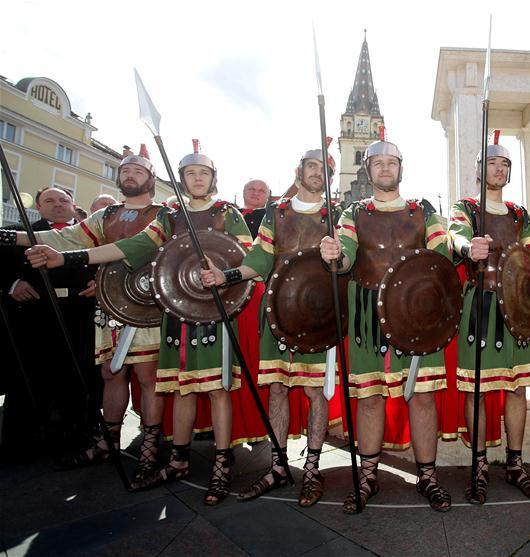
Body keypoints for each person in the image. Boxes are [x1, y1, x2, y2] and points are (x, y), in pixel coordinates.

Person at [26, 140, 252, 504]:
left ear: (214, 179)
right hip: (177, 311)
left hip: (215, 311)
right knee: (180, 386)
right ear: (181, 179)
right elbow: (131, 248)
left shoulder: (228, 212)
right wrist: (70, 259)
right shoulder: (169, 215)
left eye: (204, 173)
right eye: (191, 173)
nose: (197, 178)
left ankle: (222, 465)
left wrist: (225, 274)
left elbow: (247, 256)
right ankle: (177, 458)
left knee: (217, 388)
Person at [1, 145, 166, 481]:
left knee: (148, 378)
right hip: (109, 305)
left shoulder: (165, 214)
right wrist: (6, 235)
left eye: (137, 170)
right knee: (110, 373)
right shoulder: (104, 216)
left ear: (150, 178)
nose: (129, 174)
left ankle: (150, 447)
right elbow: (63, 237)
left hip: (147, 304)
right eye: (124, 170)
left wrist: (69, 258)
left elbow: (137, 248)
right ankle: (109, 441)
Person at [320, 130, 452, 513]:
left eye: (391, 162)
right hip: (367, 316)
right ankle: (368, 476)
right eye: (378, 162)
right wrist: (334, 255)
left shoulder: (423, 209)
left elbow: (441, 251)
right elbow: (345, 257)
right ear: (368, 168)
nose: (385, 168)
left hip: (418, 315)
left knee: (423, 397)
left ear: (400, 169)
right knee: (370, 397)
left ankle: (427, 476)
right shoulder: (353, 212)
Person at [200, 146, 340, 506]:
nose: (315, 173)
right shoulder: (275, 213)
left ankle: (311, 468)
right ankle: (278, 466)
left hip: (318, 314)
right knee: (277, 388)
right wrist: (226, 275)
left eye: (323, 169)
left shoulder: (336, 214)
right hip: (277, 310)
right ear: (299, 171)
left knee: (314, 392)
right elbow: (259, 259)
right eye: (311, 166)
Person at [448, 131, 530, 504]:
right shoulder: (467, 208)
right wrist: (468, 246)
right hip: (480, 306)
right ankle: (479, 464)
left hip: (517, 309)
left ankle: (516, 464)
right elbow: (454, 235)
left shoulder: (521, 215)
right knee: (478, 388)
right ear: (479, 169)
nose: (500, 168)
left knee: (517, 387)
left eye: (505, 163)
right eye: (492, 162)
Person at [0, 187, 96, 462]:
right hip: (33, 317)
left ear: (74, 205)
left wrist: (100, 282)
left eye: (63, 200)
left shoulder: (90, 235)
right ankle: (18, 444)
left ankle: (74, 441)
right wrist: (12, 283)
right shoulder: (18, 233)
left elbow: (109, 263)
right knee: (28, 379)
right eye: (50, 201)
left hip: (79, 315)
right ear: (39, 207)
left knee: (76, 379)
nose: (58, 205)